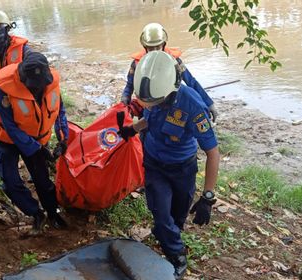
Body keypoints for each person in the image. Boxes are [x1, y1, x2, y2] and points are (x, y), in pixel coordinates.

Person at [118, 51, 220, 280]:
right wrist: (131, 130)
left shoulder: (193, 105)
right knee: (161, 213)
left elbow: (213, 153)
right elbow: (150, 118)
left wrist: (207, 197)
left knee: (177, 217)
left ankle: (166, 233)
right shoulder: (152, 91)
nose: (151, 105)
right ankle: (176, 253)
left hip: (183, 168)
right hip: (155, 164)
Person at [0, 52, 69, 232]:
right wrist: (37, 149)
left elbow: (59, 112)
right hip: (8, 139)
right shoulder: (3, 88)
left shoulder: (51, 84)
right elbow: (9, 126)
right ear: (22, 77)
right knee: (10, 182)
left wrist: (63, 139)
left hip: (37, 137)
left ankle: (52, 212)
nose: (37, 89)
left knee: (43, 180)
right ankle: (35, 213)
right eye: (33, 86)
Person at [121, 22, 218, 122]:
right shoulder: (138, 64)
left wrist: (209, 103)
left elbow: (191, 82)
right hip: (149, 108)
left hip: (172, 106)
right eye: (150, 48)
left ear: (163, 45)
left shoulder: (175, 62)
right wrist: (124, 100)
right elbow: (130, 85)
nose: (155, 51)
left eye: (157, 47)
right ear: (145, 47)